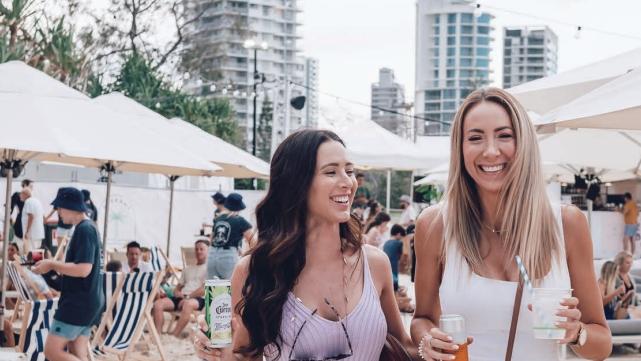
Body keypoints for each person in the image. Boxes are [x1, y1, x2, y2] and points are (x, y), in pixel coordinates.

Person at [411, 88, 611, 361]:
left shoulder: (567, 224)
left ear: (524, 144)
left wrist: (577, 332)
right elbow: (421, 318)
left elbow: (602, 344)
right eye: (475, 138)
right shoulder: (435, 225)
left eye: (504, 136)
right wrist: (427, 340)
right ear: (460, 148)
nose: (491, 151)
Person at [193, 129, 416, 360]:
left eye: (349, 171)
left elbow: (405, 348)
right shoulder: (255, 269)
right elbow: (241, 355)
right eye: (331, 172)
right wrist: (215, 350)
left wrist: (434, 343)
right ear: (296, 185)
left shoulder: (374, 263)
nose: (348, 182)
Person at [32, 187, 103, 361]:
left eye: (60, 209)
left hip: (77, 303)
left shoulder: (84, 230)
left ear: (70, 207)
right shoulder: (87, 228)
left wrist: (52, 264)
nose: (58, 214)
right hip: (89, 301)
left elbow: (83, 269)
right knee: (77, 352)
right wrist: (51, 268)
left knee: (52, 351)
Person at [153, 239, 208, 337]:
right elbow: (178, 287)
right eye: (196, 249)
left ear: (208, 251)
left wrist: (188, 297)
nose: (198, 251)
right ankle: (158, 335)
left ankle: (174, 335)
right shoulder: (188, 269)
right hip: (182, 297)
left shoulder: (210, 269)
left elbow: (204, 290)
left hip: (198, 299)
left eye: (201, 249)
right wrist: (177, 292)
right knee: (158, 304)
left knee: (188, 304)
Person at [207, 193, 252, 279]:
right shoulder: (239, 220)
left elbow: (211, 239)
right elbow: (252, 239)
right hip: (228, 256)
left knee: (213, 289)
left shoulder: (218, 219)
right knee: (231, 287)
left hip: (212, 255)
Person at [614, 251, 639, 317]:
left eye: (631, 263)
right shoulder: (614, 277)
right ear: (620, 263)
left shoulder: (629, 276)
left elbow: (634, 295)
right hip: (619, 309)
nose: (630, 265)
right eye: (627, 263)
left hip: (631, 307)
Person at [20, 187, 45, 254]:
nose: (20, 196)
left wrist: (27, 231)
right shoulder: (37, 201)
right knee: (37, 253)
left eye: (21, 194)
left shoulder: (28, 201)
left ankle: (32, 265)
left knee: (30, 254)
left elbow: (31, 216)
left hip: (31, 234)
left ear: (25, 194)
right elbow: (43, 216)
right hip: (38, 233)